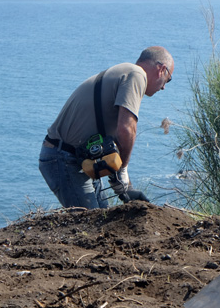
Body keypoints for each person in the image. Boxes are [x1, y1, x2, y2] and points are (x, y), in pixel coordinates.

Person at [39, 46, 174, 209]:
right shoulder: (137, 75)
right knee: (90, 224)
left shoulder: (123, 73)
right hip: (64, 157)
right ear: (161, 69)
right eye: (168, 79)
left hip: (79, 158)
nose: (164, 87)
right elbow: (127, 129)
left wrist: (123, 188)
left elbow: (111, 144)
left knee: (102, 216)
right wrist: (123, 173)